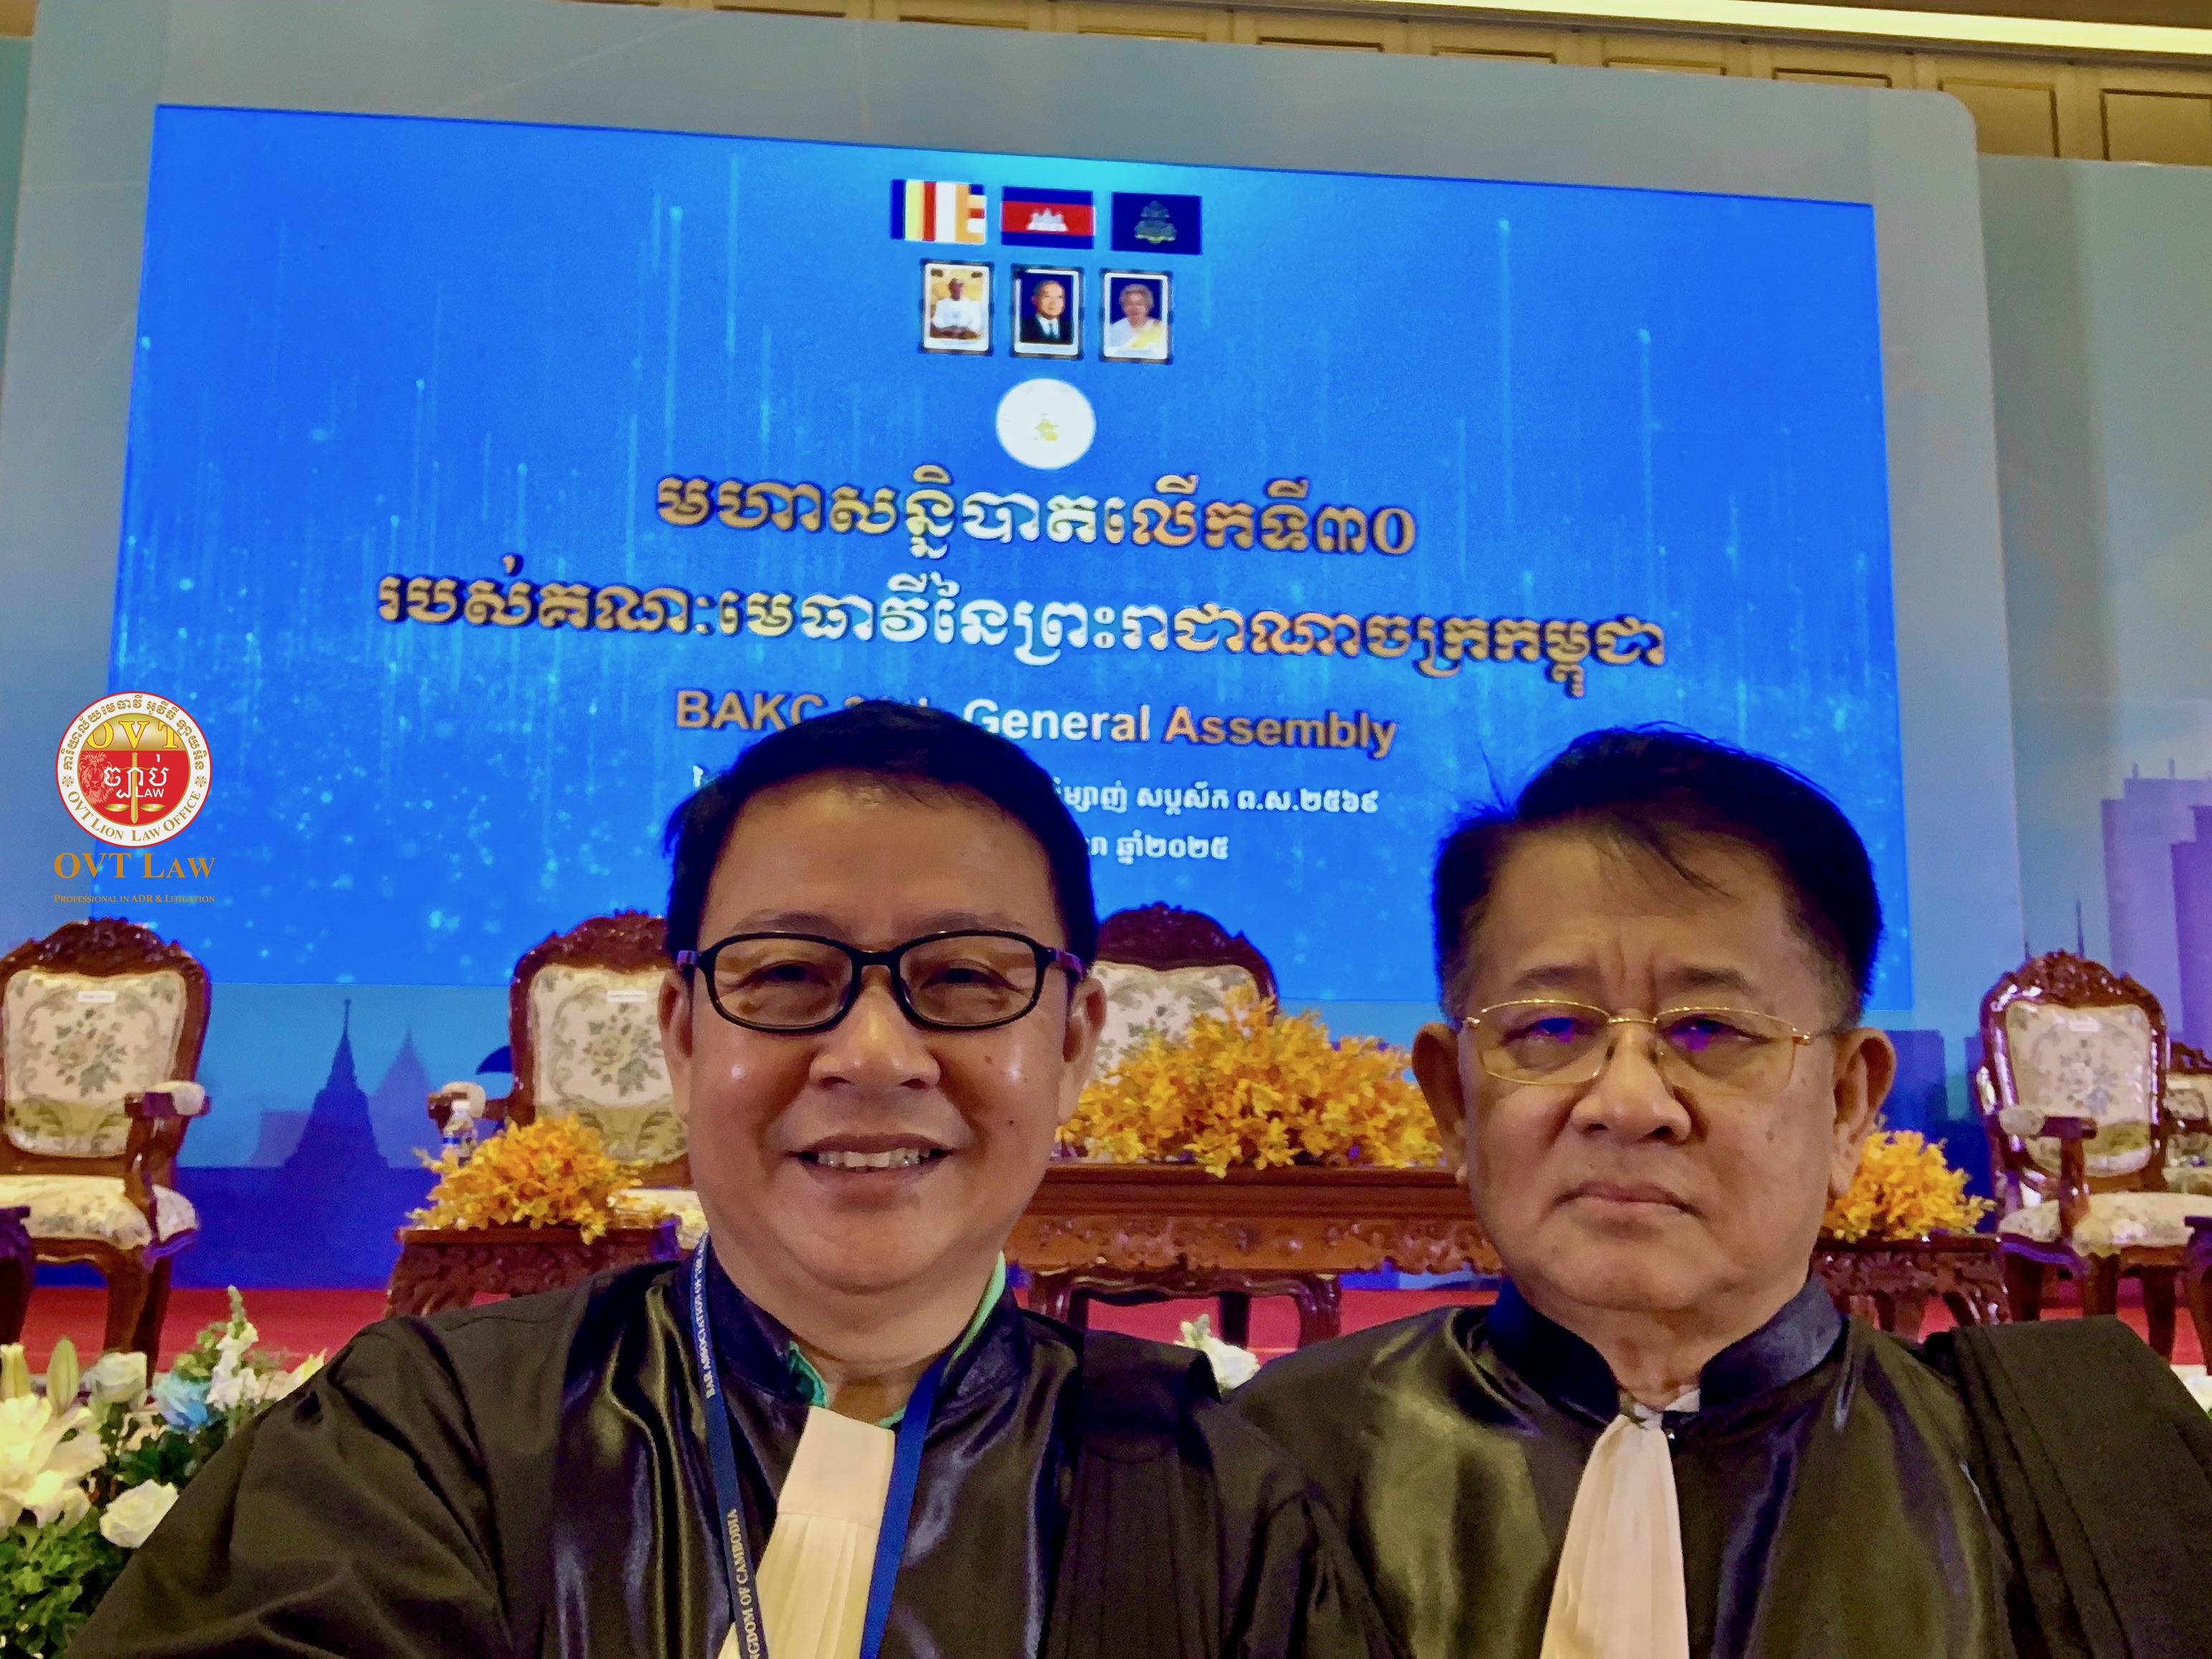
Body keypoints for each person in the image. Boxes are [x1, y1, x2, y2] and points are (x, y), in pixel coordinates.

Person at [74, 703, 1398, 1659]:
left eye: (962, 977)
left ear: (1072, 1041)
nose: (872, 1054)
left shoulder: (1209, 1498)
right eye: (785, 975)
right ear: (682, 1031)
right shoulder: (432, 1443)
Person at [1235, 726, 2212, 1659]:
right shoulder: (1273, 1466)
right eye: (1550, 1029)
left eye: (1710, 1030)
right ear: (1454, 1102)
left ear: (1846, 1103)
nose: (1627, 1103)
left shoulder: (2067, 1479)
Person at [1105, 279, 1166, 357]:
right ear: (1124, 307)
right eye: (1130, 304)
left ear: (1148, 306)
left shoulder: (1162, 330)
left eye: (1139, 304)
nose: (1134, 308)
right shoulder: (1113, 330)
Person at [928, 273, 984, 340]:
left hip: (966, 336)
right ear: (950, 288)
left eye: (960, 286)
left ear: (963, 287)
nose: (957, 288)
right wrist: (949, 329)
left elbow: (976, 323)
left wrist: (963, 330)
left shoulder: (972, 304)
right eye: (954, 286)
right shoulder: (941, 304)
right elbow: (938, 321)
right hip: (946, 335)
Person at [1019, 276, 1072, 347]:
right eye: (1047, 297)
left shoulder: (1073, 328)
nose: (1054, 303)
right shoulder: (1021, 327)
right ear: (1034, 300)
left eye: (1059, 297)